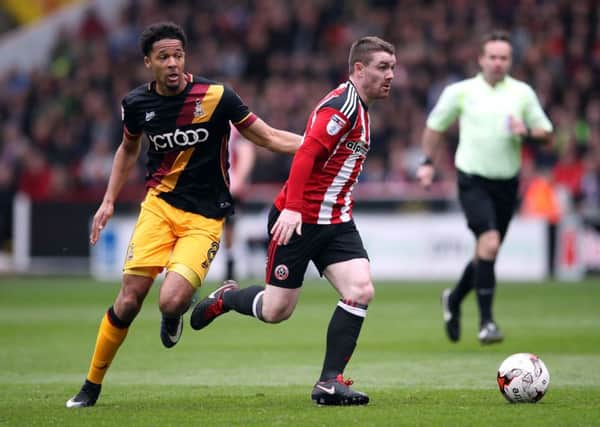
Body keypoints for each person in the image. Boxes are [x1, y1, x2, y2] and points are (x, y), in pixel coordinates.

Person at [66, 22, 300, 408]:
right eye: (164, 57)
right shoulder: (136, 104)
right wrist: (108, 201)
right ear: (148, 63)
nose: (173, 63)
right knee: (128, 301)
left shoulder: (217, 96)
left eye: (178, 55)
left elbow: (267, 136)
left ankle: (173, 315)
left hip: (205, 218)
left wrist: (316, 145)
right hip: (158, 208)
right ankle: (91, 385)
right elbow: (127, 149)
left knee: (170, 301)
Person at [190, 36, 396, 406]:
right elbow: (304, 156)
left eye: (393, 68)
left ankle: (329, 382)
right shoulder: (342, 106)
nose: (390, 75)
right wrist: (293, 208)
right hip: (299, 220)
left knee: (361, 290)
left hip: (336, 221)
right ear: (359, 69)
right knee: (276, 311)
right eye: (383, 67)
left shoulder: (362, 110)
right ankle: (227, 298)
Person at [416, 30, 553, 344]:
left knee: (485, 252)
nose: (497, 63)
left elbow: (547, 134)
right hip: (472, 179)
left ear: (510, 60)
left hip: (507, 183)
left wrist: (528, 131)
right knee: (489, 244)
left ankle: (453, 298)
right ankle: (487, 322)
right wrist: (427, 162)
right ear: (480, 59)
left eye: (503, 57)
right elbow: (434, 127)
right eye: (492, 57)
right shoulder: (461, 92)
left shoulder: (522, 94)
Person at [222, 126, 256, 280]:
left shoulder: (234, 127)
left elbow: (246, 152)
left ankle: (230, 265)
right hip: (210, 187)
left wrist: (239, 181)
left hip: (228, 187)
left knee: (229, 227)